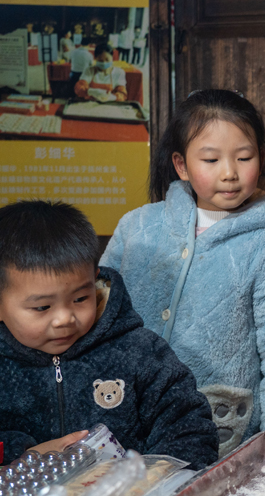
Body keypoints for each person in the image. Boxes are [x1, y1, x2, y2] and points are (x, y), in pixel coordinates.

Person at [101, 89, 265, 457]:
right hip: (124, 424)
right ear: (181, 166)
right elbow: (97, 321)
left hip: (221, 439)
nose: (229, 173)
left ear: (260, 159)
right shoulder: (136, 228)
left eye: (244, 157)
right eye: (211, 159)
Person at [0, 201, 219, 470]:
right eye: (42, 307)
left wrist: (154, 480)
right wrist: (24, 454)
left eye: (80, 298)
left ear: (95, 279)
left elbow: (189, 426)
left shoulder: (139, 352)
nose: (64, 319)